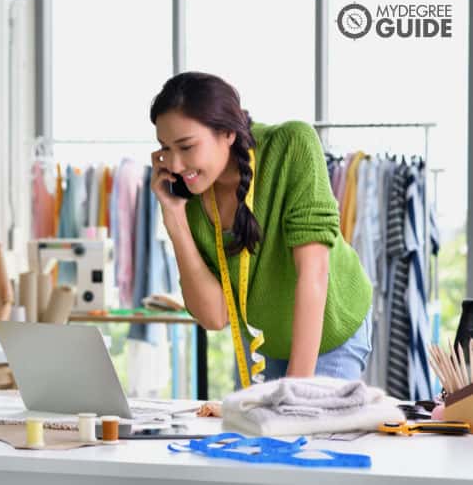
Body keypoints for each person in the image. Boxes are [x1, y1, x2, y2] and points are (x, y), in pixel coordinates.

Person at [149, 72, 372, 388]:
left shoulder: (291, 145)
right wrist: (175, 220)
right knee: (253, 435)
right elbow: (214, 317)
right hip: (265, 345)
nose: (173, 164)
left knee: (309, 429)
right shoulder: (191, 193)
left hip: (329, 331)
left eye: (186, 147)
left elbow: (314, 273)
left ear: (227, 132)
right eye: (165, 148)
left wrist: (296, 393)